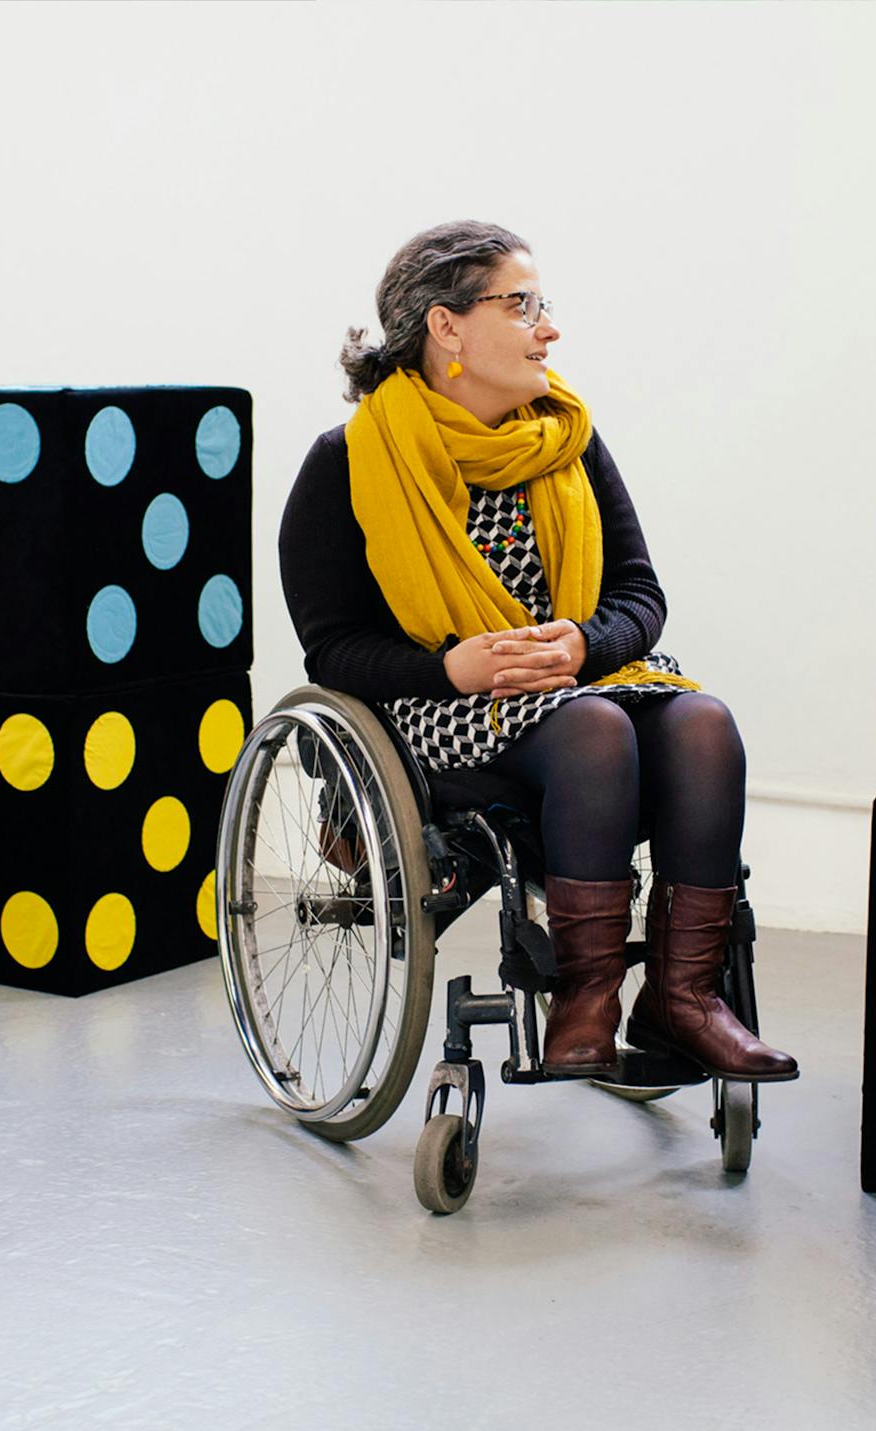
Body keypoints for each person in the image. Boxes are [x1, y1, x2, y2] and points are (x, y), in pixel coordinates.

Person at [278, 220, 797, 1083]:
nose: (546, 328)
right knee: (597, 732)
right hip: (438, 711)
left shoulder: (566, 442)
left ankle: (683, 998)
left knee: (704, 723)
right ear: (447, 327)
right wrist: (451, 668)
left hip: (577, 684)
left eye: (540, 305)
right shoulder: (347, 465)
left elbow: (640, 596)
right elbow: (332, 651)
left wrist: (584, 641)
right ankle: (584, 1000)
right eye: (519, 306)